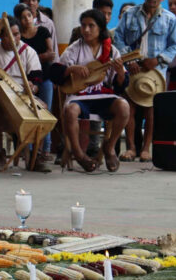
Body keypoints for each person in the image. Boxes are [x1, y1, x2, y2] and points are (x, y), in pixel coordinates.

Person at [113, 0, 176, 162]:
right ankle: (131, 148)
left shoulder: (169, 18)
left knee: (151, 111)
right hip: (133, 70)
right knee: (130, 108)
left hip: (155, 73)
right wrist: (129, 60)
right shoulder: (129, 15)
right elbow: (118, 39)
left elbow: (175, 44)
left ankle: (145, 149)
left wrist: (158, 60)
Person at [54, 9, 129, 172]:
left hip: (103, 95)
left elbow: (119, 85)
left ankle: (109, 147)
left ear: (101, 28)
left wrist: (121, 73)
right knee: (71, 110)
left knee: (124, 107)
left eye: (91, 26)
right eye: (83, 25)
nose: (86, 29)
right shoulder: (75, 49)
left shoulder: (111, 51)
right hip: (79, 96)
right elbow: (57, 73)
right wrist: (72, 69)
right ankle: (79, 154)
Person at [0, 16, 43, 172]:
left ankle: (35, 155)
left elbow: (37, 80)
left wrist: (33, 87)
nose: (13, 39)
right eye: (8, 35)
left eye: (16, 34)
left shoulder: (28, 52)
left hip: (22, 94)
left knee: (42, 108)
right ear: (0, 36)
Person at [16, 2, 55, 171]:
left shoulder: (42, 31)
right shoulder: (17, 38)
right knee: (27, 112)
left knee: (44, 111)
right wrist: (40, 57)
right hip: (24, 80)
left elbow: (51, 54)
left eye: (29, 16)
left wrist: (34, 57)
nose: (27, 20)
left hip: (44, 77)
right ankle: (29, 150)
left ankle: (44, 150)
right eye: (23, 18)